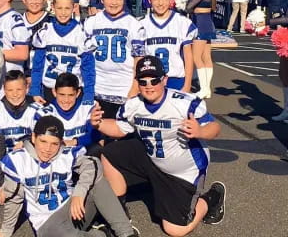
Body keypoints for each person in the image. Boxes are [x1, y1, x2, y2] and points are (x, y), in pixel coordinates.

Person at [91, 55, 226, 237]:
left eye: (154, 80)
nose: (149, 85)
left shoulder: (183, 103)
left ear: (164, 80)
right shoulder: (133, 105)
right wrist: (98, 123)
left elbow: (215, 128)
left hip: (183, 172)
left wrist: (200, 132)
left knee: (174, 230)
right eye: (143, 81)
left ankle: (211, 198)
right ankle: (119, 215)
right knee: (109, 154)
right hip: (152, 156)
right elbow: (119, 128)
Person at [0, 116, 139, 237]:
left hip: (73, 210)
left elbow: (93, 164)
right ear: (33, 137)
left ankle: (126, 233)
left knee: (96, 177)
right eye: (43, 141)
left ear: (61, 143)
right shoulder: (18, 160)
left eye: (54, 144)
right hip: (47, 223)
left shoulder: (66, 154)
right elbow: (15, 200)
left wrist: (79, 193)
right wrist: (5, 232)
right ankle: (101, 234)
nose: (47, 149)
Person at [84, 0, 145, 120]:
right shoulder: (92, 22)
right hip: (97, 87)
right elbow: (85, 58)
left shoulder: (133, 24)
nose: (114, 2)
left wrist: (134, 89)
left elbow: (139, 60)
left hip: (123, 89)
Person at [29, 0, 95, 104]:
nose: (63, 13)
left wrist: (89, 94)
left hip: (72, 91)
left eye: (67, 8)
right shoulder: (45, 31)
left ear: (74, 7)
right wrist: (35, 90)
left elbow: (88, 68)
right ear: (53, 7)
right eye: (59, 8)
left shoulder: (81, 32)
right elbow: (38, 64)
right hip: (49, 88)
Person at [0, 70, 39, 184]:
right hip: (7, 165)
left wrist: (26, 142)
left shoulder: (37, 110)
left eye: (19, 89)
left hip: (32, 163)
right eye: (10, 90)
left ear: (27, 88)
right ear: (4, 90)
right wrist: (2, 181)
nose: (15, 94)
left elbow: (42, 142)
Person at [141, 0, 197, 91]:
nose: (160, 3)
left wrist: (187, 85)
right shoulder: (141, 25)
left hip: (176, 80)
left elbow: (188, 57)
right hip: (151, 82)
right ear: (149, 0)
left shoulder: (182, 23)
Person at [34, 72, 100, 151]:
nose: (66, 100)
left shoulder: (87, 107)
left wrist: (75, 141)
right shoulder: (44, 113)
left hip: (82, 154)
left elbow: (96, 134)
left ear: (78, 93)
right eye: (62, 94)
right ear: (54, 92)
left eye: (71, 95)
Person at [186, 0, 217, 99]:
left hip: (200, 23)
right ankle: (206, 89)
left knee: (196, 57)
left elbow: (189, 6)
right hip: (208, 22)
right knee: (206, 57)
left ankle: (204, 88)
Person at [21, 0, 52, 80]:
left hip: (44, 76)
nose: (34, 2)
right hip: (20, 76)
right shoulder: (16, 21)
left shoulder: (52, 22)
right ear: (23, 0)